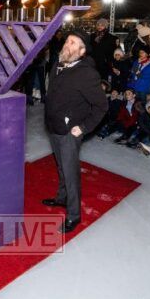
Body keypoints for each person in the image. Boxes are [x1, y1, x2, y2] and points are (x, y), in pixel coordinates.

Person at [44, 31, 108, 235]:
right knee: (61, 167)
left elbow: (101, 106)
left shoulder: (87, 74)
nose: (67, 44)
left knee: (70, 173)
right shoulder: (58, 64)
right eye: (67, 41)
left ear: (81, 51)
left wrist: (83, 127)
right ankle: (61, 198)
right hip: (54, 126)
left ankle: (73, 215)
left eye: (73, 43)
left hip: (69, 132)